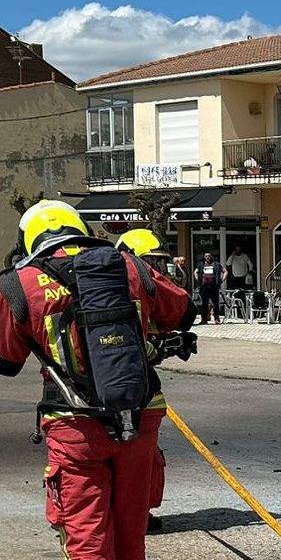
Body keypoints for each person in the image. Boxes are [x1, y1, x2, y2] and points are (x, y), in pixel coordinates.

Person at [0, 200, 195, 560]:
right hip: (140, 421)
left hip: (75, 429)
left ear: (29, 237)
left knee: (88, 546)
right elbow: (182, 308)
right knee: (128, 538)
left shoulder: (21, 283)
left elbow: (1, 361)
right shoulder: (128, 265)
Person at [116, 229, 178, 535]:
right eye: (151, 263)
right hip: (132, 392)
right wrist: (160, 348)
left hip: (95, 395)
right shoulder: (127, 289)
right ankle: (134, 514)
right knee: (138, 459)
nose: (157, 271)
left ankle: (129, 513)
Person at [194, 252, 224, 324]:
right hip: (204, 286)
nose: (207, 257)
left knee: (215, 302)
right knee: (204, 303)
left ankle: (216, 318)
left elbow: (225, 271)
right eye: (206, 256)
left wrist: (221, 280)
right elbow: (195, 272)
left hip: (214, 286)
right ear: (204, 257)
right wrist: (198, 280)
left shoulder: (216, 264)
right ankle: (204, 319)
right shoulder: (201, 264)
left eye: (209, 256)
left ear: (211, 257)